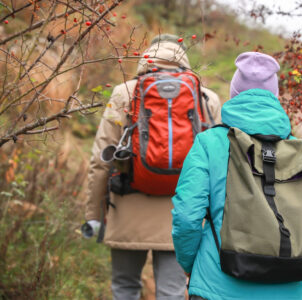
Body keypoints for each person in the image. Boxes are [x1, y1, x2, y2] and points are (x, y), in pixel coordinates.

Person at [171, 52, 302, 300]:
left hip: (217, 286)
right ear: (275, 96)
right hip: (288, 289)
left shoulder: (209, 143)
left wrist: (193, 266)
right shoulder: (298, 150)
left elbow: (187, 216)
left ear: (234, 93)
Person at [84, 34, 221, 300]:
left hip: (127, 207)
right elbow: (218, 165)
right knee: (172, 292)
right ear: (182, 55)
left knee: (125, 287)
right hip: (181, 213)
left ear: (147, 55)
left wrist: (94, 214)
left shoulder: (124, 93)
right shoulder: (206, 98)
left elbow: (101, 158)